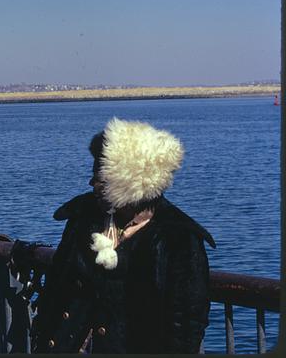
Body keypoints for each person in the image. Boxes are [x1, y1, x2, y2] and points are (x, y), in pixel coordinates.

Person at [28, 117, 214, 353]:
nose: (91, 183)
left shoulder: (177, 238)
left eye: (100, 178)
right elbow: (57, 290)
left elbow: (186, 326)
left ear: (129, 181)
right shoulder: (83, 218)